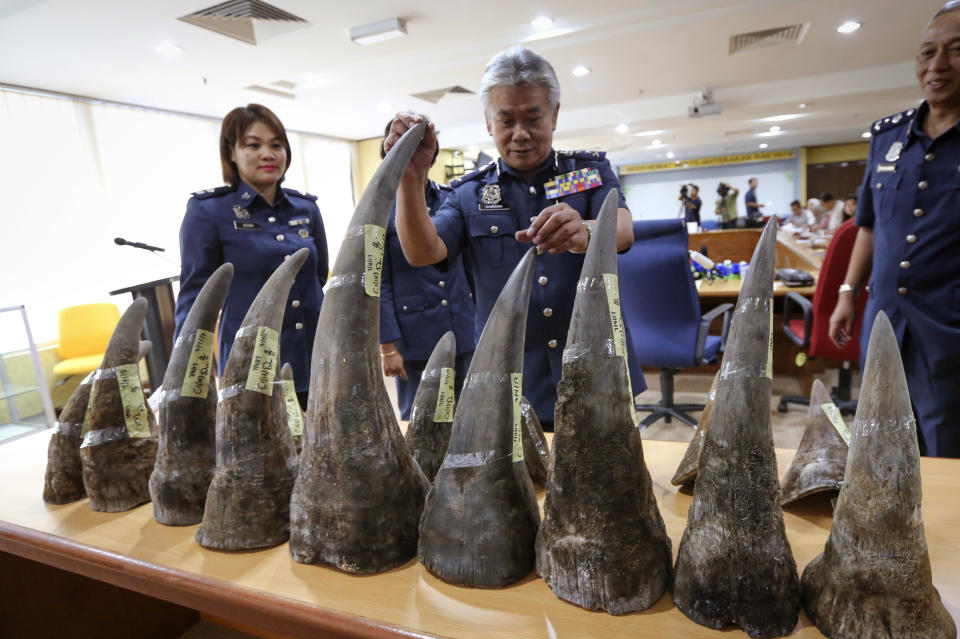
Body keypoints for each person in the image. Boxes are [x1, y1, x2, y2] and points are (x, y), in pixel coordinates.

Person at [383, 45, 644, 429]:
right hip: (512, 379)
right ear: (488, 122)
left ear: (554, 115)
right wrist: (410, 179)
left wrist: (587, 230)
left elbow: (622, 230)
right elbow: (423, 252)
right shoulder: (470, 193)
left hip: (599, 366)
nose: (519, 134)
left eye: (533, 118)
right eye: (505, 120)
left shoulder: (586, 172)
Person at [829, 1, 960, 458]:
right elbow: (867, 225)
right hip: (885, 318)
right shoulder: (889, 138)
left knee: (944, 445)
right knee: (880, 438)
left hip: (948, 326)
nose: (937, 64)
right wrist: (848, 294)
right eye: (927, 52)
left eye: (956, 50)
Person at [173, 104, 328, 409]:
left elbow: (319, 276)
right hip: (253, 363)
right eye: (253, 145)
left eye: (276, 145)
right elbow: (195, 300)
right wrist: (190, 377)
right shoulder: (208, 211)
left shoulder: (305, 208)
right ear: (232, 152)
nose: (268, 154)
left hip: (316, 354)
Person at [378, 118, 476, 420]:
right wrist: (387, 346)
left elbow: (469, 265)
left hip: (461, 324)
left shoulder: (450, 197)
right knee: (424, 417)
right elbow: (377, 282)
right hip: (415, 333)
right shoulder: (381, 210)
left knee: (467, 412)